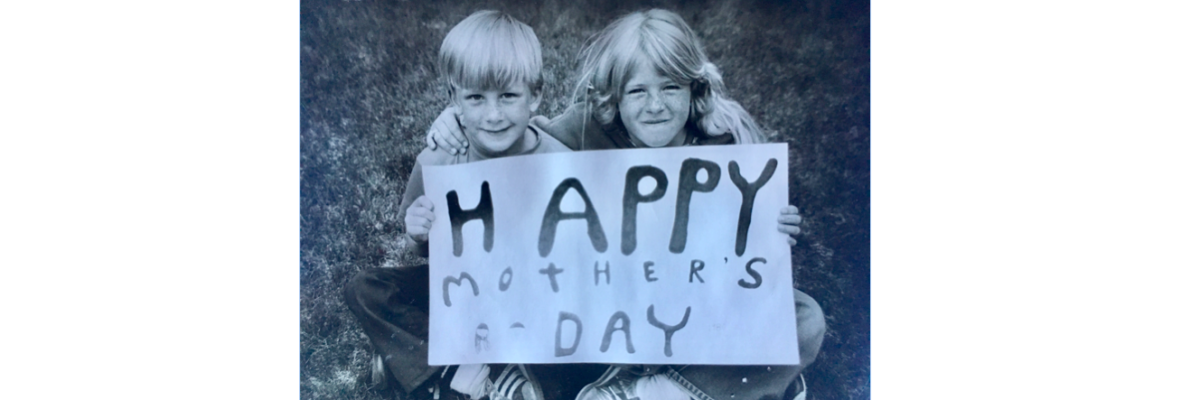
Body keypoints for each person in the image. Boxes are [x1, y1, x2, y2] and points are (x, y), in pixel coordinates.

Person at [425, 9, 826, 400]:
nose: (655, 105)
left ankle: (655, 390)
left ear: (694, 89)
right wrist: (456, 117)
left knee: (804, 319)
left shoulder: (723, 139)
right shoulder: (589, 129)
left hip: (695, 296)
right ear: (614, 97)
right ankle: (721, 384)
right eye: (637, 91)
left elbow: (749, 237)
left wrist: (772, 228)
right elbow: (524, 135)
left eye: (670, 88)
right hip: (618, 305)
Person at [343, 10, 585, 400]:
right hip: (465, 293)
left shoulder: (560, 160)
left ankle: (474, 370)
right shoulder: (439, 159)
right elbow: (426, 251)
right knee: (367, 288)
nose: (493, 115)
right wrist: (418, 232)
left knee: (570, 348)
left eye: (508, 96)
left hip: (533, 299)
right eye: (476, 98)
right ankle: (443, 375)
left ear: (536, 94)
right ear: (454, 99)